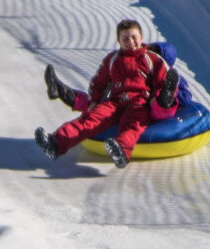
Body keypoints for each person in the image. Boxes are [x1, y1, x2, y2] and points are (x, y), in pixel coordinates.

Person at [35, 19, 179, 169]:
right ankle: (56, 143)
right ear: (119, 41)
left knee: (133, 122)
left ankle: (121, 151)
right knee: (90, 119)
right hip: (115, 101)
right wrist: (94, 100)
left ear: (141, 38)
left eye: (134, 37)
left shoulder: (151, 58)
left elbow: (163, 80)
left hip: (139, 101)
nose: (130, 42)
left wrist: (159, 96)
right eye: (125, 38)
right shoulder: (112, 59)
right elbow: (99, 82)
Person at [44, 41, 193, 113]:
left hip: (152, 111)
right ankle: (62, 91)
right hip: (129, 106)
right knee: (98, 103)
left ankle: (164, 97)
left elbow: (186, 97)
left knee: (158, 105)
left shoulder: (173, 77)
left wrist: (167, 94)